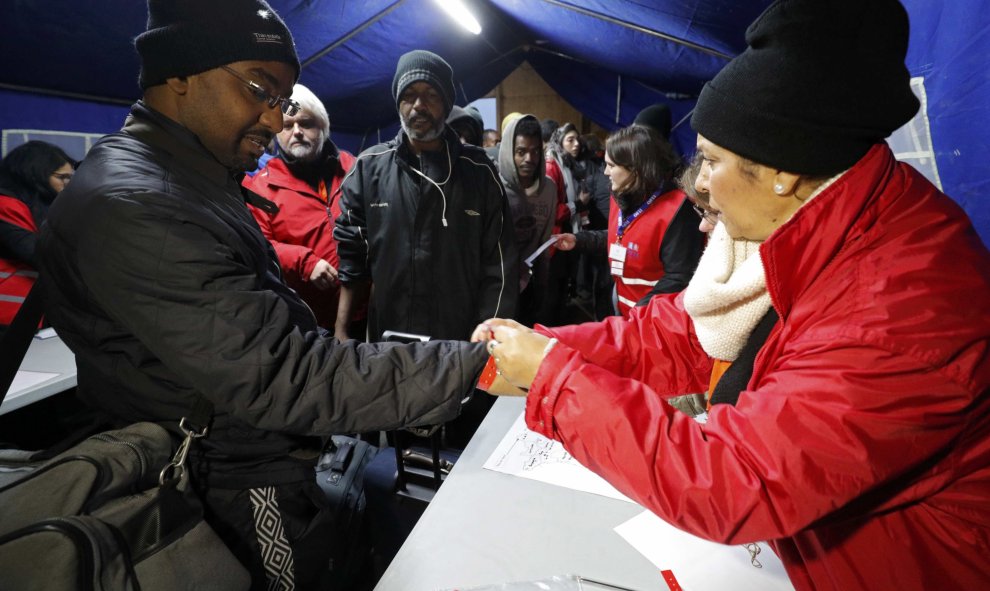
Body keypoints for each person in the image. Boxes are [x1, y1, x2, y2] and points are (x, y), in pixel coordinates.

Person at [473, 1, 990, 589]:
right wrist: (542, 348)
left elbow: (733, 479)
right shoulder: (816, 224)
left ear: (781, 172)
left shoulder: (902, 309)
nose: (704, 188)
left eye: (713, 161)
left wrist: (557, 382)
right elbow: (679, 332)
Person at [36, 2, 488, 589]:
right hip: (226, 481)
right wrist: (479, 363)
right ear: (179, 74)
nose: (277, 122)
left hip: (259, 452)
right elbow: (287, 375)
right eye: (261, 90)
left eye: (282, 100)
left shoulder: (190, 174)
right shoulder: (137, 204)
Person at [334, 49, 517, 344]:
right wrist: (342, 329)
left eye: (431, 94)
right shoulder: (369, 168)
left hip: (459, 338)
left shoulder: (479, 172)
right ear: (397, 103)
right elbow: (352, 258)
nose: (418, 105)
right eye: (409, 95)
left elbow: (500, 265)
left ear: (446, 103)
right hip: (388, 337)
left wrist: (488, 335)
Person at [556, 125, 704, 316]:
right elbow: (621, 237)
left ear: (636, 169)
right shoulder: (622, 195)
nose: (605, 173)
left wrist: (639, 315)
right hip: (623, 305)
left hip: (653, 319)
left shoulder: (678, 210)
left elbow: (679, 277)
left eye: (611, 166)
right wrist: (580, 240)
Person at [242, 83, 355, 331]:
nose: (297, 132)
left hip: (364, 312)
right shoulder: (261, 188)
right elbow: (259, 244)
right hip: (308, 321)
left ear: (323, 128)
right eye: (287, 125)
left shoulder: (354, 170)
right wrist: (304, 262)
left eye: (306, 123)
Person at [0, 141, 76, 328]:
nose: (68, 185)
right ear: (35, 174)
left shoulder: (43, 206)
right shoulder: (5, 205)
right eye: (62, 177)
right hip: (12, 313)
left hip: (32, 312)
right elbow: (40, 251)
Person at [498, 114, 557, 326]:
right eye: (521, 152)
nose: (529, 159)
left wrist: (542, 285)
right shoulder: (495, 187)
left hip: (530, 285)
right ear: (508, 152)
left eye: (535, 152)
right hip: (500, 286)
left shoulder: (548, 189)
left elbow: (544, 241)